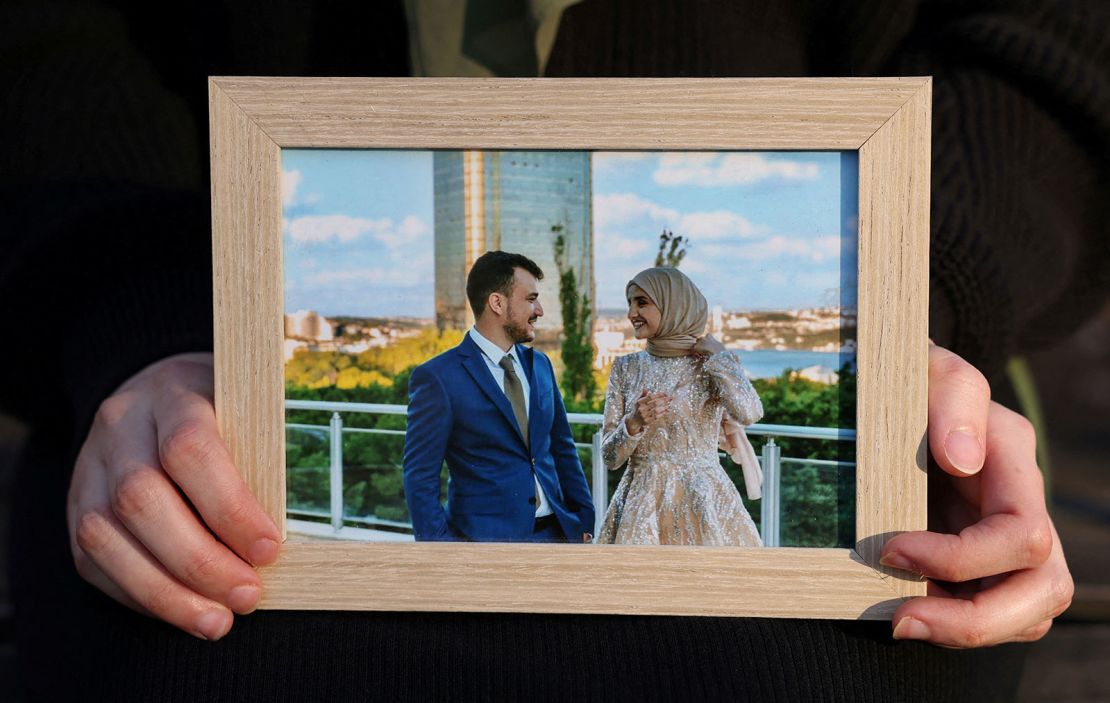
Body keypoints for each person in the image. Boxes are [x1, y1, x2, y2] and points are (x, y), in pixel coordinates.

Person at [5, 1, 1101, 699]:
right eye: (535, 295)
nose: (558, 310)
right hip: (200, 421)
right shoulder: (486, 374)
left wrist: (915, 305)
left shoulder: (660, 358)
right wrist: (138, 314)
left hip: (737, 518)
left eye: (568, 295)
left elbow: (1053, 47)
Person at [403, 250, 595, 543]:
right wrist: (441, 549)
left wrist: (583, 518)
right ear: (497, 302)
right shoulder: (438, 377)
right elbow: (420, 478)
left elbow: (562, 448)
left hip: (557, 537)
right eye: (531, 299)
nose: (540, 310)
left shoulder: (541, 365)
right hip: (483, 546)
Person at [597, 267, 763, 546]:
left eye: (641, 302)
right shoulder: (626, 367)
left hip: (703, 499)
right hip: (640, 507)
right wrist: (635, 422)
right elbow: (610, 458)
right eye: (630, 303)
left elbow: (750, 412)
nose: (631, 313)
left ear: (674, 305)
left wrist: (720, 358)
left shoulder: (710, 364)